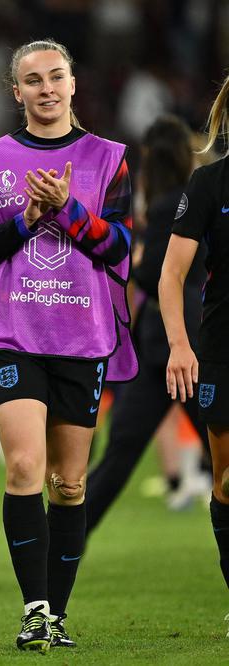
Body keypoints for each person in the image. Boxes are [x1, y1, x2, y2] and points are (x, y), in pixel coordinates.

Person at [0, 39, 134, 651]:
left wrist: (69, 211)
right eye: (33, 81)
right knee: (24, 465)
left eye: (56, 76)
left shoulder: (109, 159)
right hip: (10, 333)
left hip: (82, 336)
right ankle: (34, 611)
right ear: (16, 93)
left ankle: (56, 615)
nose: (47, 89)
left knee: (69, 483)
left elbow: (120, 250)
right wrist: (27, 222)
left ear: (73, 83)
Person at [86, 115, 209, 533]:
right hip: (177, 341)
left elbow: (155, 272)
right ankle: (66, 541)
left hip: (176, 343)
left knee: (121, 450)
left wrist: (135, 261)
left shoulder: (166, 207)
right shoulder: (195, 197)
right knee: (215, 443)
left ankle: (63, 543)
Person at [161, 71, 229, 620]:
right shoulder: (208, 186)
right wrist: (179, 346)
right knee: (227, 483)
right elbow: (171, 275)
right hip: (221, 348)